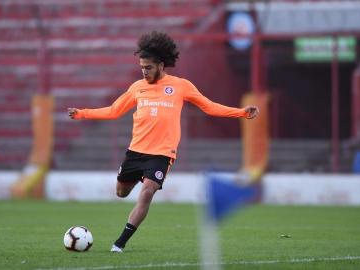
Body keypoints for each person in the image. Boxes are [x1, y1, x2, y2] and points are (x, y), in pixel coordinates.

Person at [68, 31, 259, 253]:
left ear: (160, 65)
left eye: (148, 67)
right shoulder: (137, 87)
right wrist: (82, 113)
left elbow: (209, 106)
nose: (144, 71)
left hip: (162, 153)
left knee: (147, 191)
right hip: (135, 151)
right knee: (121, 192)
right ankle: (127, 203)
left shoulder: (181, 86)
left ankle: (119, 243)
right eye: (141, 67)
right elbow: (113, 111)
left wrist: (241, 113)